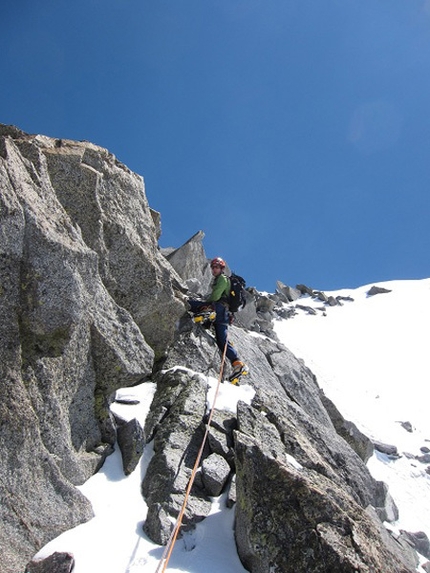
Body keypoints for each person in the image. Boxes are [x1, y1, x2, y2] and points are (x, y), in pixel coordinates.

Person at [188, 257, 247, 380]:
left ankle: (207, 313)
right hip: (225, 315)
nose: (214, 270)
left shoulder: (222, 279)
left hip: (218, 308)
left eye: (216, 267)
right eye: (213, 267)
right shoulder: (223, 279)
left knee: (191, 304)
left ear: (221, 268)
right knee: (222, 340)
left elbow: (216, 296)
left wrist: (206, 303)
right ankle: (237, 363)